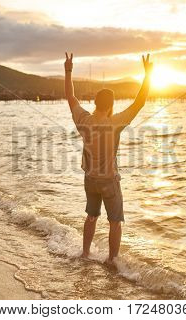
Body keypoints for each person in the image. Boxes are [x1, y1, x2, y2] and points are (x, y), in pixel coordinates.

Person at [64, 52, 153, 265]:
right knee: (115, 222)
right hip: (109, 181)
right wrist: (148, 74)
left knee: (91, 216)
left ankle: (85, 253)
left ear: (95, 102)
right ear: (111, 104)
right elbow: (139, 102)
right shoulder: (116, 123)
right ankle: (112, 260)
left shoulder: (83, 119)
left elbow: (70, 97)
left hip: (90, 180)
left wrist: (68, 70)